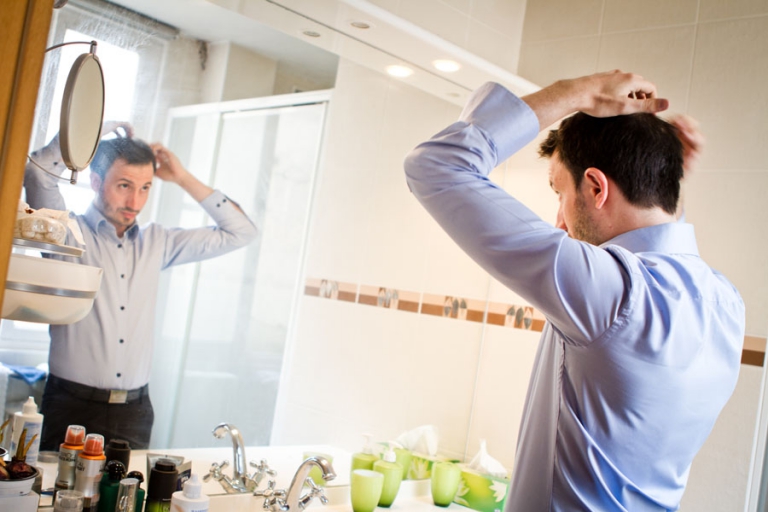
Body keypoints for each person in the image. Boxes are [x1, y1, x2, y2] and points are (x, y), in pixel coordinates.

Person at [404, 70, 745, 511]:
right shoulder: (725, 301)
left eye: (559, 191)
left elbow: (435, 166)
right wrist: (660, 163)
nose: (559, 222)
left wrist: (579, 93)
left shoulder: (611, 291)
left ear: (596, 188)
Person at [24, 124, 258, 450]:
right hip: (70, 405)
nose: (135, 201)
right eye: (124, 185)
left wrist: (182, 178)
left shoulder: (157, 242)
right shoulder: (66, 233)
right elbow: (37, 176)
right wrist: (84, 134)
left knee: (126, 501)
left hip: (134, 411)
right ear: (95, 182)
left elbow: (241, 232)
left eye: (145, 187)